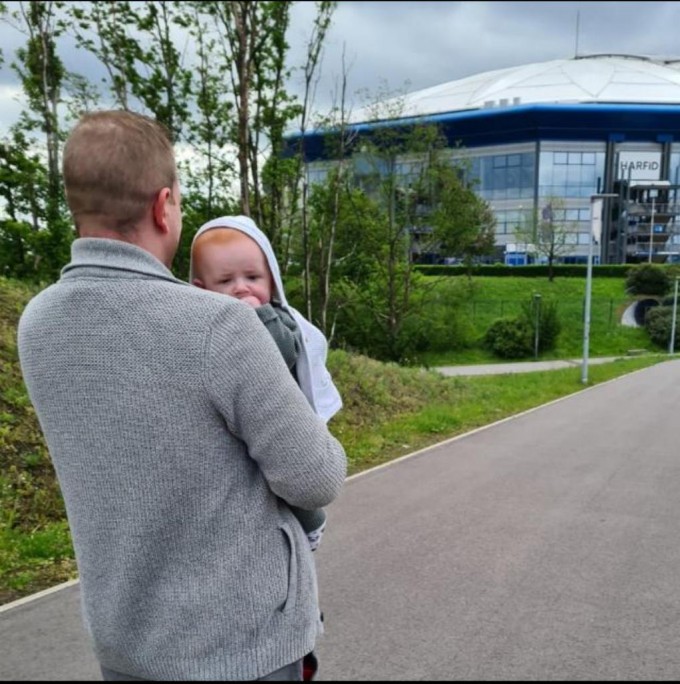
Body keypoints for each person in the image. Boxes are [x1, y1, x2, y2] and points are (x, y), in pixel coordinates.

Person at [17, 110, 347, 682]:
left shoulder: (37, 323)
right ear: (162, 205)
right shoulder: (220, 328)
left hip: (125, 642)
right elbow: (315, 479)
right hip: (242, 646)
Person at [190, 216, 343, 553]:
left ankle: (312, 524)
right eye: (226, 281)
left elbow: (283, 349)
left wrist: (256, 316)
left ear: (271, 281)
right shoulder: (206, 331)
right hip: (237, 427)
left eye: (253, 277)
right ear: (202, 291)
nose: (242, 288)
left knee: (292, 478)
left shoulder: (279, 318)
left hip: (283, 423)